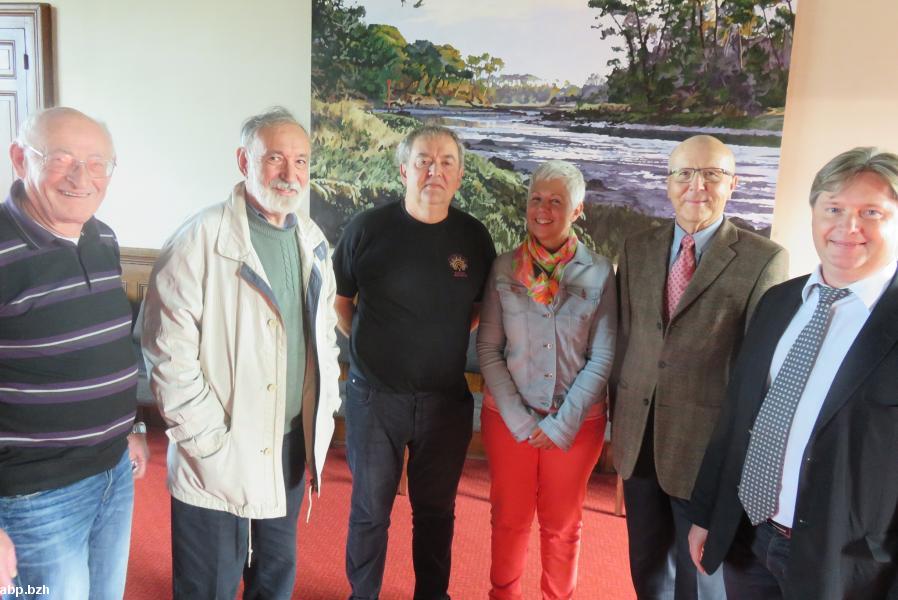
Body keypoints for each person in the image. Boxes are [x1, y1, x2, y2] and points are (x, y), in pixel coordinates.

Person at [141, 107, 341, 600]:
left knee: (274, 578)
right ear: (243, 160)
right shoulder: (200, 239)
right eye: (275, 158)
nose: (289, 174)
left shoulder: (311, 240)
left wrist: (324, 415)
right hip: (220, 450)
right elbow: (168, 356)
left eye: (300, 160)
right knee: (209, 585)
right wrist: (208, 439)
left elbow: (325, 339)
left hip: (289, 444)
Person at [688, 147, 898, 599]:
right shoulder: (780, 302)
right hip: (750, 538)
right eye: (834, 208)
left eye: (871, 212)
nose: (848, 226)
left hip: (847, 565)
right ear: (814, 213)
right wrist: (707, 513)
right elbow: (736, 418)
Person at [611, 134, 789, 600]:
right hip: (639, 440)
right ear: (668, 183)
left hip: (706, 451)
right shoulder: (636, 248)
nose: (697, 186)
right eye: (685, 173)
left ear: (732, 184)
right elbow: (628, 338)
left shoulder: (762, 259)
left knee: (701, 578)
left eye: (712, 174)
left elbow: (758, 372)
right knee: (646, 566)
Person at [333, 124, 496, 599]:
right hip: (373, 397)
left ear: (459, 176)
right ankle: (362, 594)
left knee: (435, 512)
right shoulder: (367, 228)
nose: (434, 170)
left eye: (446, 161)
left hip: (444, 401)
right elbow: (342, 303)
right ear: (404, 169)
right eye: (424, 159)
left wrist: (433, 336)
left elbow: (479, 311)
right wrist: (373, 342)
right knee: (369, 509)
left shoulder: (473, 237)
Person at [0, 107, 149, 599]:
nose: (82, 177)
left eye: (97, 162)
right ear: (20, 159)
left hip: (112, 475)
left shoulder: (101, 236)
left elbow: (106, 352)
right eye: (61, 160)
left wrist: (128, 429)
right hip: (31, 497)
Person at [476, 159, 616, 599]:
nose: (543, 209)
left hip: (576, 425)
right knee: (509, 519)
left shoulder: (600, 273)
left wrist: (559, 424)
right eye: (536, 199)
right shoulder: (503, 268)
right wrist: (520, 420)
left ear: (577, 211)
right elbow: (488, 350)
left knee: (561, 525)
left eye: (556, 201)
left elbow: (603, 356)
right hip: (509, 420)